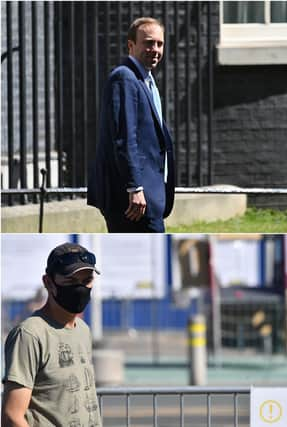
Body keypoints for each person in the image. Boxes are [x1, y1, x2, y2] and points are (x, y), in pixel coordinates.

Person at [88, 17, 175, 232]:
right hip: (133, 201)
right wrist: (134, 187)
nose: (154, 49)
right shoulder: (124, 77)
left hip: (148, 196)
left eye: (159, 43)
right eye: (148, 43)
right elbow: (125, 137)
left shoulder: (146, 80)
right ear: (131, 45)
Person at [2, 243, 102, 427]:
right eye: (71, 282)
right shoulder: (30, 334)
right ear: (48, 283)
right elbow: (12, 416)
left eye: (87, 280)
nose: (80, 289)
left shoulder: (82, 329)